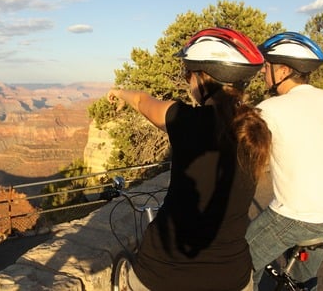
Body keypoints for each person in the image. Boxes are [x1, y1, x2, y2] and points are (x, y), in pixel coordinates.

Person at [107, 27, 272, 291]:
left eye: (188, 73)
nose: (187, 81)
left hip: (164, 276)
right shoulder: (256, 130)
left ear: (204, 77)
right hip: (233, 278)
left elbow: (140, 100)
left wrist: (118, 92)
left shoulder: (184, 120)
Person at [245, 32, 323, 290]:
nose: (263, 73)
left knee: (239, 264)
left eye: (266, 67)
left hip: (297, 217)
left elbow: (243, 158)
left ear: (282, 71)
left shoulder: (269, 109)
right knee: (302, 278)